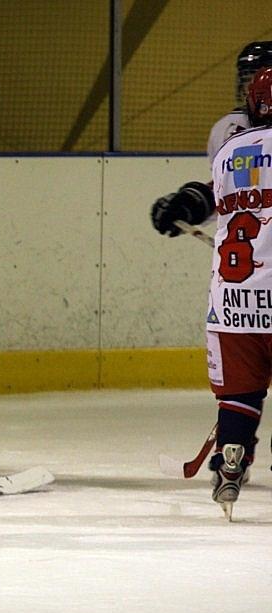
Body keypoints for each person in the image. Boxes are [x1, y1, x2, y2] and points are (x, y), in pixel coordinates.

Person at [201, 66, 272, 520]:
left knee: (241, 395)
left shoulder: (229, 149)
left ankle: (232, 456)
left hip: (233, 303)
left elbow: (212, 199)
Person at [151, 42, 272, 238]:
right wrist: (194, 203)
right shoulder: (231, 127)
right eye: (247, 81)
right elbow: (238, 189)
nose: (250, 90)